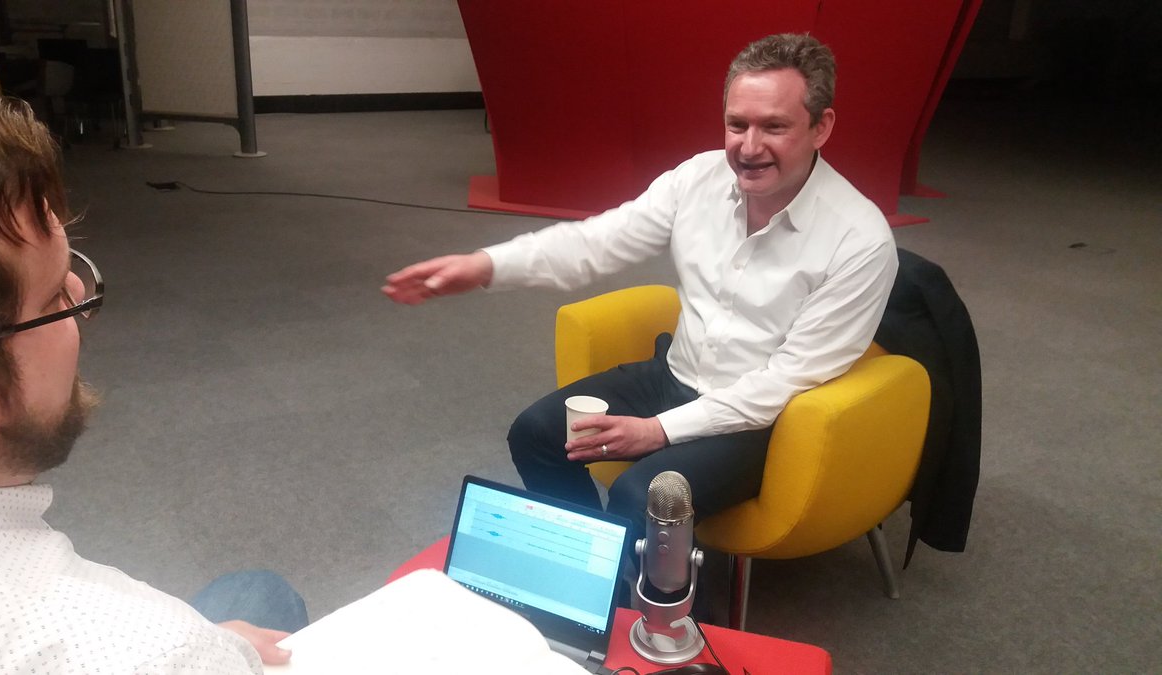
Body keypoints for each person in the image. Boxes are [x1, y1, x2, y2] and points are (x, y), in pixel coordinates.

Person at [384, 34, 898, 537]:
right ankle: (593, 564)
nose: (748, 147)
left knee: (640, 496)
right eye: (736, 124)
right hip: (675, 375)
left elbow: (783, 382)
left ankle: (639, 588)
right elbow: (598, 242)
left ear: (821, 127)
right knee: (536, 433)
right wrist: (484, 266)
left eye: (774, 127)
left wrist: (658, 431)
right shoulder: (698, 179)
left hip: (764, 422)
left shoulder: (860, 240)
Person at [0, 78, 308, 672]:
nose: (78, 293)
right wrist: (207, 651)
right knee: (264, 594)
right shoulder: (149, 649)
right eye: (51, 297)